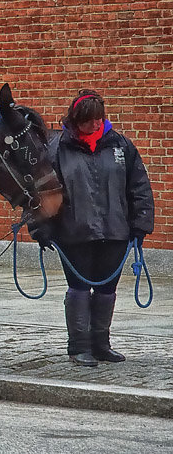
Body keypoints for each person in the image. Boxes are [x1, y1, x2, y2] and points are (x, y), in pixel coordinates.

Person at [29, 89, 154, 367]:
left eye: (99, 119)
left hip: (115, 231)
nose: (95, 125)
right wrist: (41, 228)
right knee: (80, 288)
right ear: (75, 120)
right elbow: (41, 192)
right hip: (75, 233)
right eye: (88, 121)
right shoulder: (56, 149)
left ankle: (101, 344)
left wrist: (141, 223)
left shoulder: (121, 146)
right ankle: (79, 346)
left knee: (107, 289)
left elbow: (139, 187)